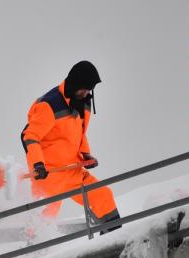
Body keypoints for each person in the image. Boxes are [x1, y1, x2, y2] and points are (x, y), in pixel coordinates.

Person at [20, 60, 120, 232]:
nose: (87, 93)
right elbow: (30, 136)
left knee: (103, 195)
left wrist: (86, 154)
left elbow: (79, 133)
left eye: (89, 89)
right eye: (84, 88)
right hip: (49, 176)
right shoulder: (49, 105)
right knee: (41, 224)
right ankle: (30, 254)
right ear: (74, 84)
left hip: (73, 171)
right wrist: (38, 164)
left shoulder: (84, 102)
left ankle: (115, 238)